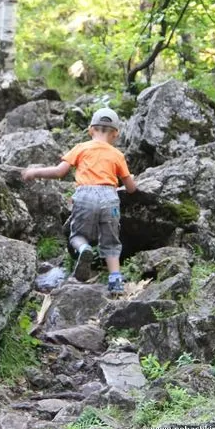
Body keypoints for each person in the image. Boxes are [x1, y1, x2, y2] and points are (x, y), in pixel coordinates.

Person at [21, 107, 136, 294]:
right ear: (115, 134)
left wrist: (34, 172)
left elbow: (59, 172)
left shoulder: (80, 148)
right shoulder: (117, 155)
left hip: (84, 196)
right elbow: (131, 188)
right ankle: (116, 281)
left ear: (91, 130)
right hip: (109, 198)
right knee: (111, 242)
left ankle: (83, 249)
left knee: (77, 235)